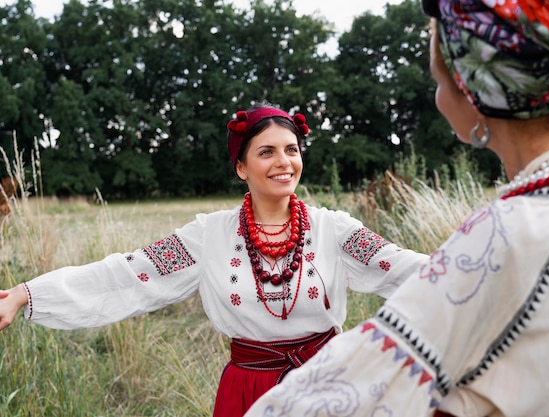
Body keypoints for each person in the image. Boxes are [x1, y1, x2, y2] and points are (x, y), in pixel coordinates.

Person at [243, 1, 549, 417]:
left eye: (439, 81)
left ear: (476, 92)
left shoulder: (507, 234)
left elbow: (354, 387)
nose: (438, 97)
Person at [0, 102, 429, 416]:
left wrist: (488, 275)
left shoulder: (335, 230)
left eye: (292, 149)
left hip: (330, 382)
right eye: (267, 152)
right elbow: (128, 275)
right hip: (249, 390)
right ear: (241, 166)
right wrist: (26, 293)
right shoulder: (207, 237)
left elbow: (407, 268)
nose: (284, 162)